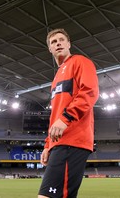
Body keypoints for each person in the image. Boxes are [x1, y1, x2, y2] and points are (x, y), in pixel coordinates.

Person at [38, 28, 99, 198]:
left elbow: (90, 92)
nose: (57, 43)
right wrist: (48, 144)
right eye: (53, 42)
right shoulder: (56, 77)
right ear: (49, 49)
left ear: (69, 44)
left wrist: (66, 118)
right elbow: (55, 115)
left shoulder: (80, 62)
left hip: (72, 140)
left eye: (61, 40)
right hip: (60, 143)